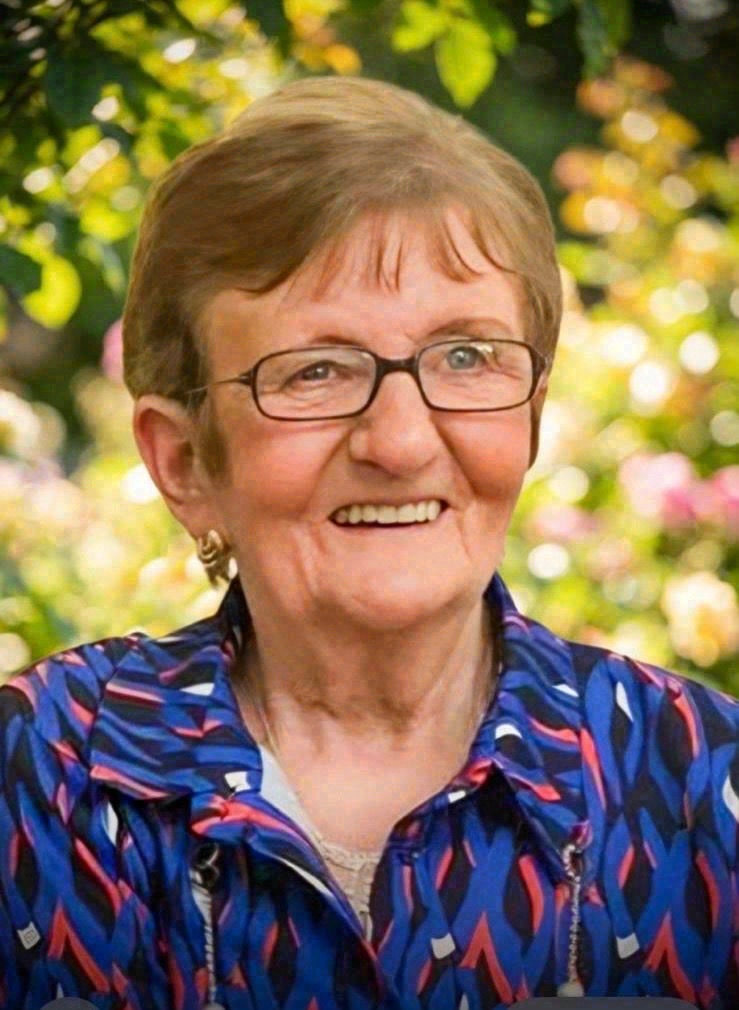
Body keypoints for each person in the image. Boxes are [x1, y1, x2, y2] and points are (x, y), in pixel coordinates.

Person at [0, 75, 737, 1010]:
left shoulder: (699, 781)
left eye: (465, 357)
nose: (399, 442)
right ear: (183, 460)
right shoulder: (39, 779)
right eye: (314, 371)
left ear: (530, 417)